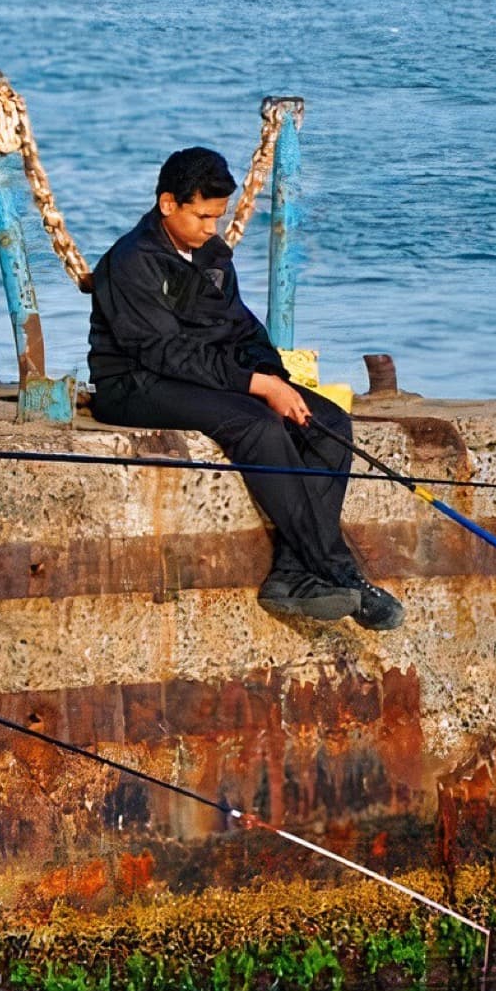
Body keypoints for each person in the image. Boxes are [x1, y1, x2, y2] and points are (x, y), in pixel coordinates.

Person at [87, 147, 404, 631]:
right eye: (203, 216)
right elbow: (162, 353)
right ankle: (339, 572)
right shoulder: (131, 261)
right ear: (168, 203)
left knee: (327, 422)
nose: (212, 228)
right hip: (135, 382)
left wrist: (271, 374)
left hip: (200, 377)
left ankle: (292, 575)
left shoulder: (212, 256)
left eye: (218, 217)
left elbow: (240, 328)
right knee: (256, 424)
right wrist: (255, 387)